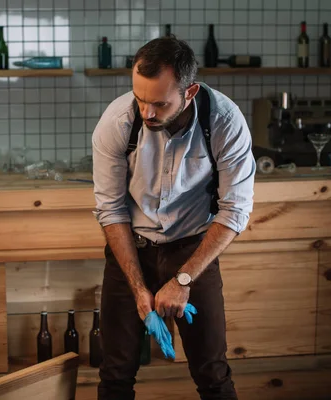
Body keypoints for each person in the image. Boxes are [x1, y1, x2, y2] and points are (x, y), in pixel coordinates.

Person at [91, 36, 256, 400]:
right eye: (140, 99)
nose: (147, 113)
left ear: (190, 91)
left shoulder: (224, 122)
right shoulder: (117, 121)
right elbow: (111, 209)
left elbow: (235, 210)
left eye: (160, 103)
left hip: (193, 249)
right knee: (115, 374)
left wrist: (183, 279)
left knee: (212, 373)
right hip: (130, 251)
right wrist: (137, 288)